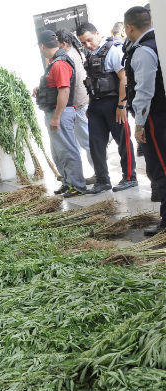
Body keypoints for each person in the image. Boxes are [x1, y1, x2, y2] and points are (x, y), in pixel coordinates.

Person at [77, 22, 137, 194]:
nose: (87, 45)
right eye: (83, 43)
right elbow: (91, 81)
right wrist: (90, 104)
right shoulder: (89, 54)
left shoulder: (112, 51)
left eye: (89, 40)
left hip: (114, 103)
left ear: (97, 33)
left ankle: (129, 177)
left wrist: (122, 105)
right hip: (96, 105)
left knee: (123, 141)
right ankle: (103, 180)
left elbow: (123, 79)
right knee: (95, 143)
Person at [123, 6, 166, 235]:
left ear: (129, 27)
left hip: (154, 118)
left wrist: (139, 124)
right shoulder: (158, 42)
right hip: (159, 115)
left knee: (160, 169)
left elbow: (144, 92)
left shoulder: (143, 51)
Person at [34, 30, 86, 197]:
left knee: (68, 150)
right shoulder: (54, 62)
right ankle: (67, 181)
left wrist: (56, 117)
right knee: (58, 151)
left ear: (42, 46)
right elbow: (55, 86)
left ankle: (77, 186)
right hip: (55, 112)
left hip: (60, 113)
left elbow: (64, 91)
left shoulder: (59, 64)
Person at [55, 28, 95, 183]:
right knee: (85, 142)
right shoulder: (75, 53)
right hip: (81, 104)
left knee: (87, 142)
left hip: (79, 105)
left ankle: (99, 174)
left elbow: (75, 84)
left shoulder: (70, 57)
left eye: (56, 44)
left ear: (63, 44)